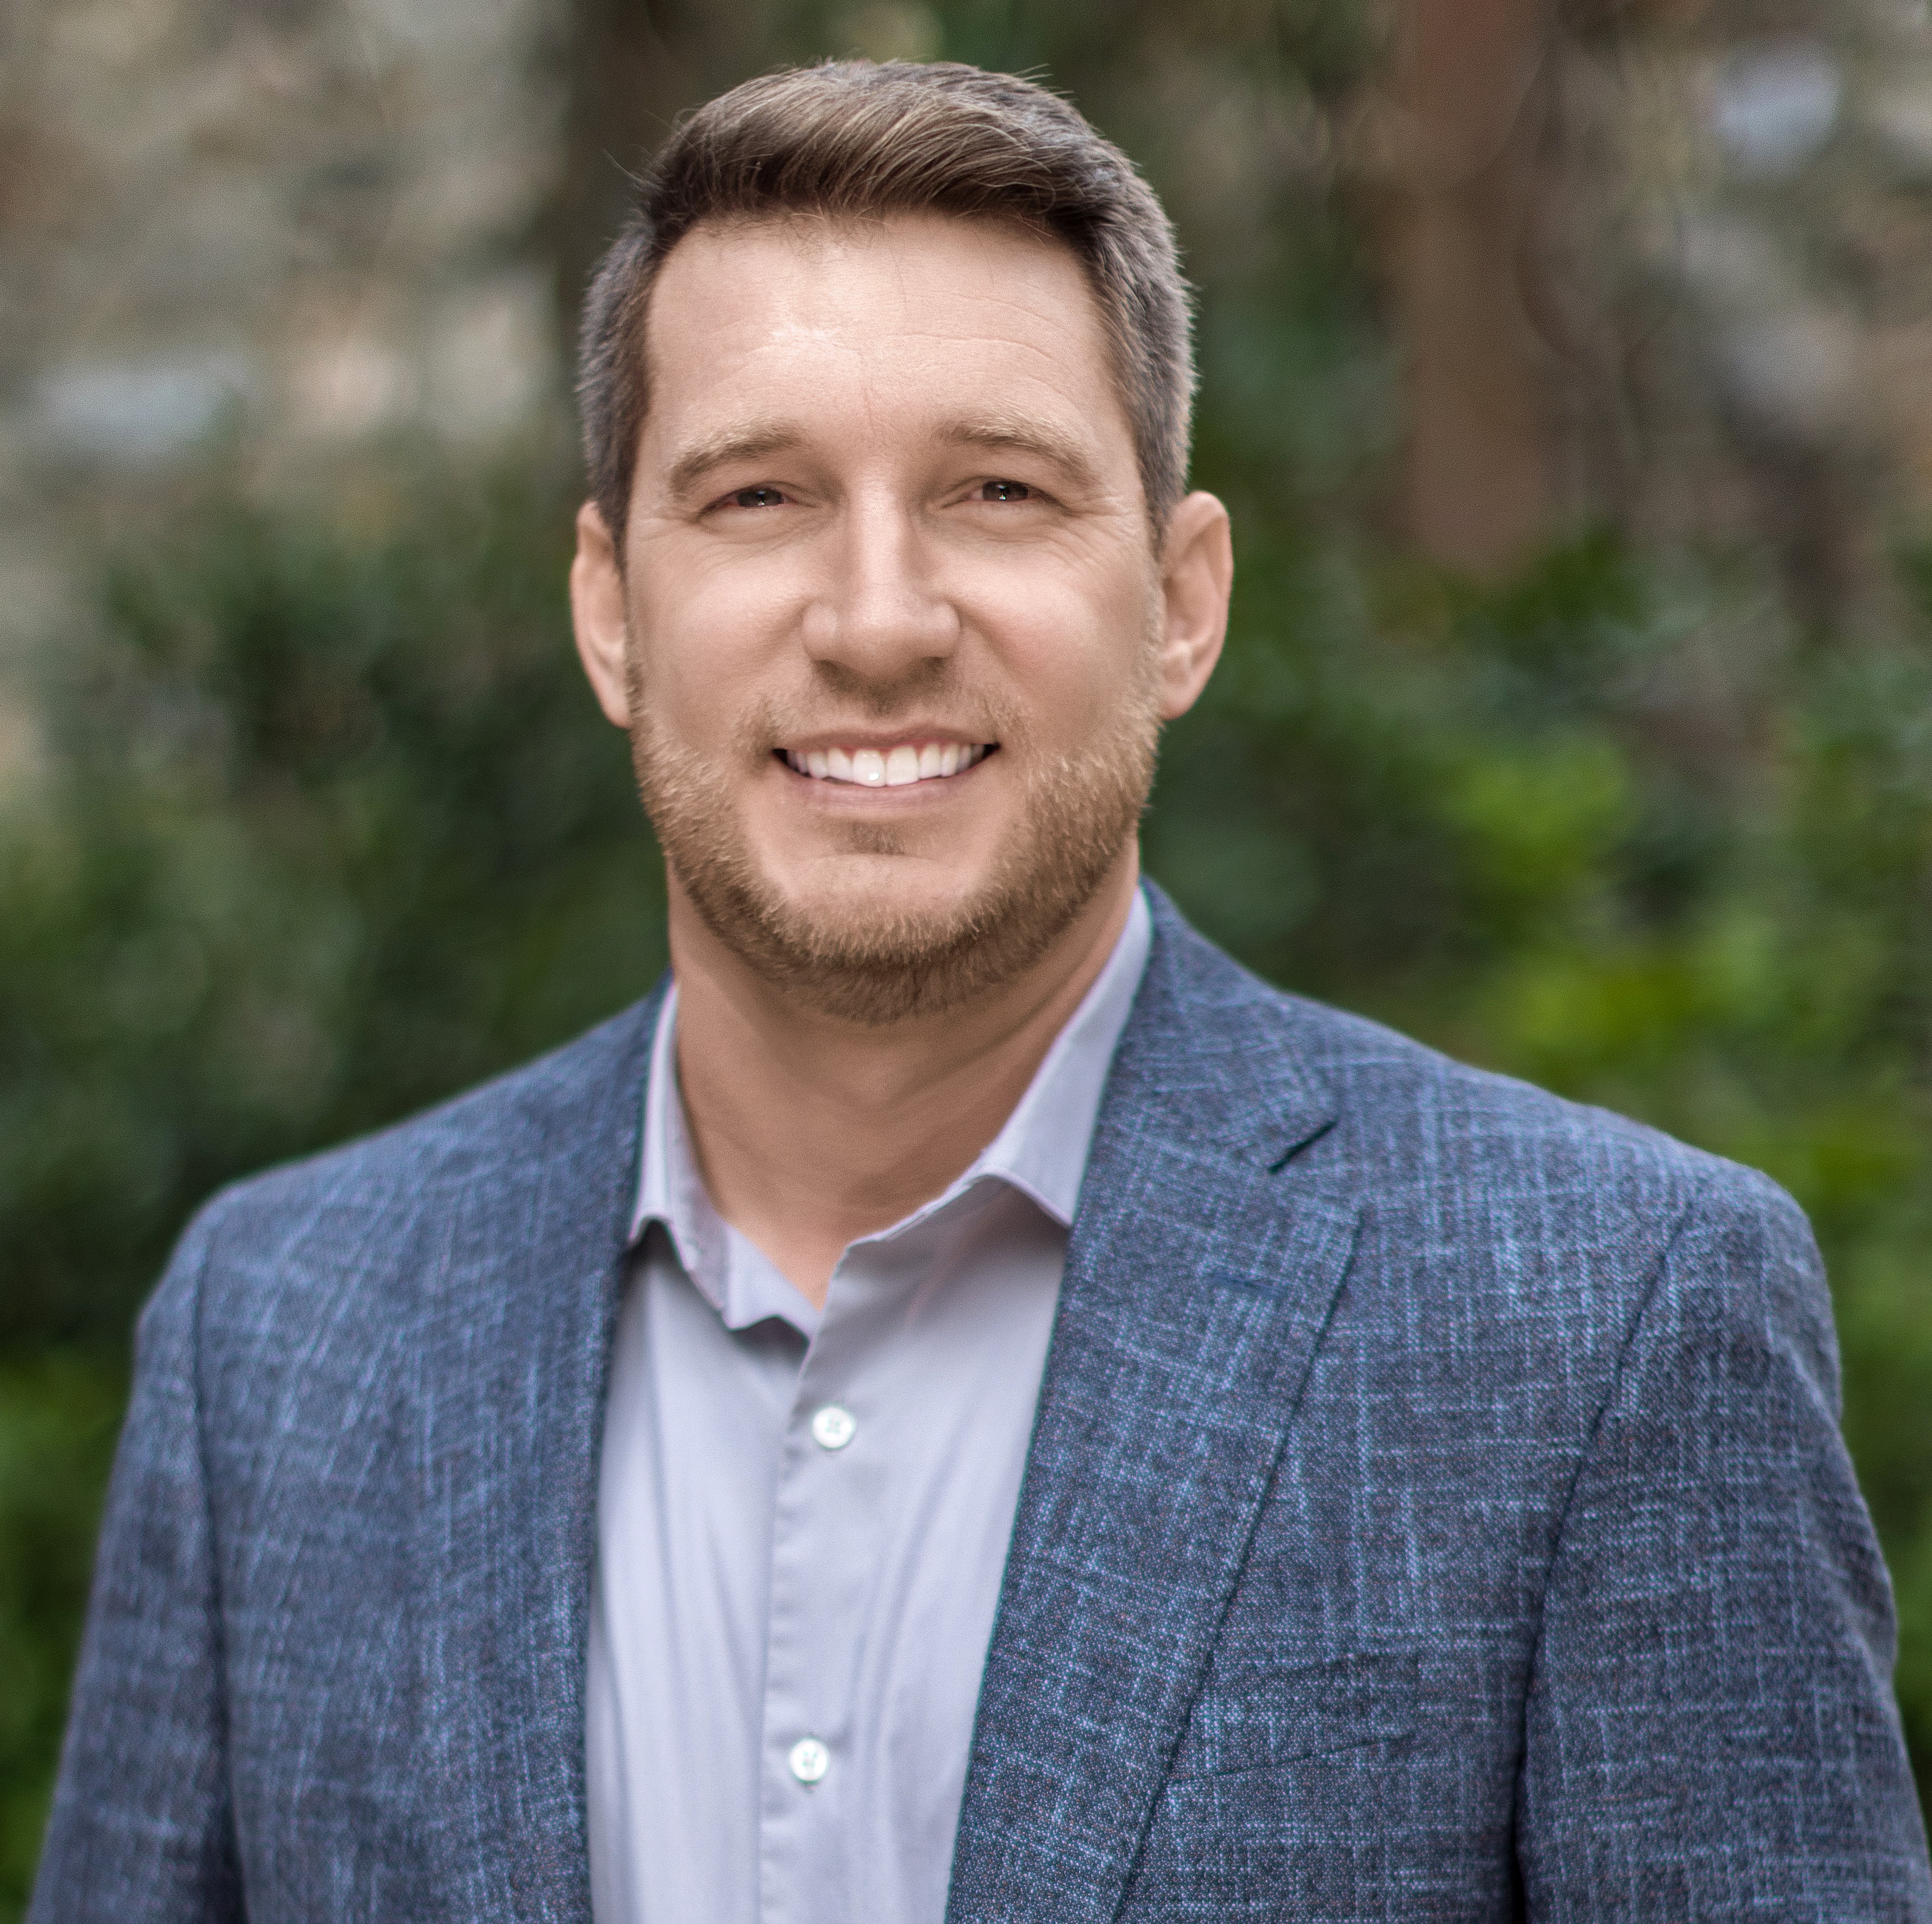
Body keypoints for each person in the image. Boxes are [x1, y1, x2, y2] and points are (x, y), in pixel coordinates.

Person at [31, 58, 1931, 1924]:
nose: (878, 623)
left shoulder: (1604, 1324)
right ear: (609, 613)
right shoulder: (283, 1338)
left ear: (1180, 603)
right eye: (759, 496)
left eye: (1000, 490)